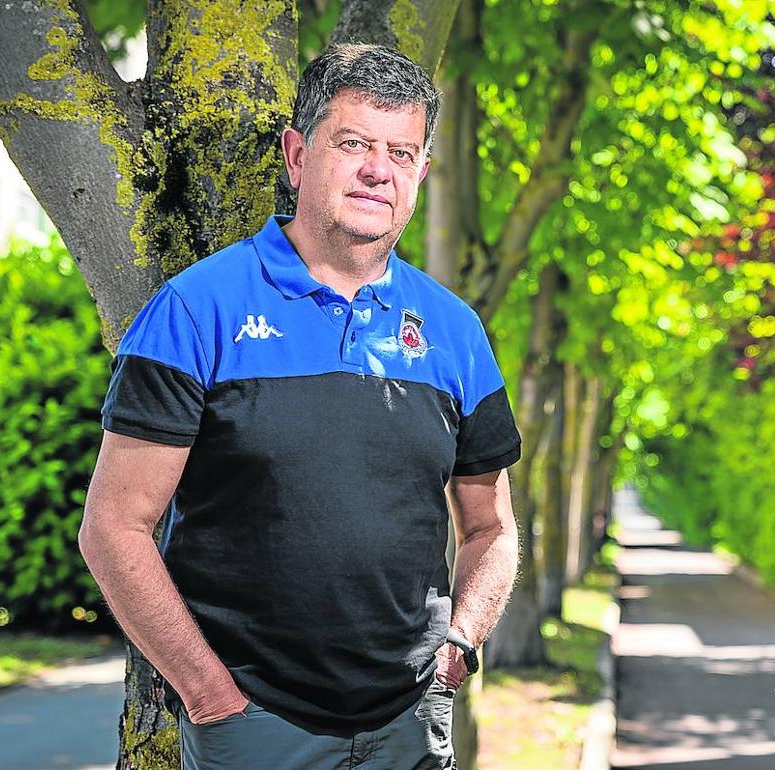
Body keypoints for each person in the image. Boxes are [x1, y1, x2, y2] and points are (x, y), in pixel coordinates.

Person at [78, 43, 521, 770]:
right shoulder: (198, 309)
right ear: (296, 154)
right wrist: (209, 695)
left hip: (410, 727)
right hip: (256, 729)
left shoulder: (455, 331)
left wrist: (460, 647)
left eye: (402, 153)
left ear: (420, 176)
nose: (379, 169)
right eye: (354, 144)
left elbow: (492, 526)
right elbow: (113, 526)